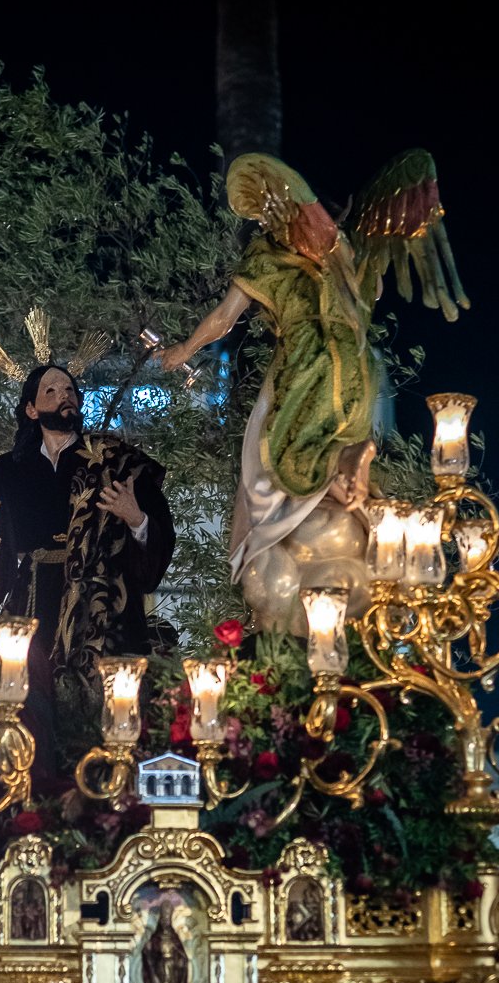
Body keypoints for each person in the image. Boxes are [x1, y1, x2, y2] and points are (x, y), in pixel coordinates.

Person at [158, 150, 468, 634]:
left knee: (277, 462)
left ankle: (339, 475)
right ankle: (352, 464)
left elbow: (224, 319)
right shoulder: (352, 254)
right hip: (355, 368)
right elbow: (376, 294)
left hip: (305, 370)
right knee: (320, 451)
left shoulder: (276, 255)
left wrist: (184, 348)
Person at [0, 363, 175, 683]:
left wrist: (135, 517)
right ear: (32, 409)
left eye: (70, 389)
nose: (64, 396)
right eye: (52, 391)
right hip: (36, 600)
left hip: (101, 600)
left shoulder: (116, 460)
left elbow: (159, 532)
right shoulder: (12, 468)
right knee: (24, 690)